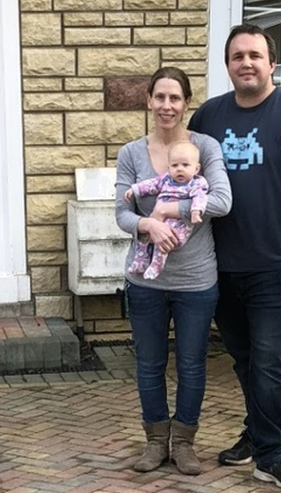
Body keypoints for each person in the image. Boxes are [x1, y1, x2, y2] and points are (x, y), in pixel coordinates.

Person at [189, 24, 281, 491]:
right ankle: (255, 435)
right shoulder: (208, 116)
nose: (246, 63)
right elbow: (185, 177)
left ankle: (272, 454)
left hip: (276, 264)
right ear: (227, 66)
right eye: (237, 56)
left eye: (255, 55)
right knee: (244, 357)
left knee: (268, 359)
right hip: (219, 265)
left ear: (272, 63)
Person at [114, 66, 232, 476]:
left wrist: (171, 209)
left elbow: (222, 201)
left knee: (191, 363)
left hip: (196, 280)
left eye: (175, 98)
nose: (167, 106)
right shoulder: (131, 153)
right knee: (149, 363)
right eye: (160, 97)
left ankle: (183, 444)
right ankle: (154, 442)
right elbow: (122, 214)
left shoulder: (205, 147)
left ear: (186, 103)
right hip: (145, 280)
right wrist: (149, 224)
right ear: (149, 101)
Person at [124, 141, 209, 279]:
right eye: (175, 165)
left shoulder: (197, 183)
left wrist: (195, 211)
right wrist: (135, 189)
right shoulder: (166, 179)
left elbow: (200, 197)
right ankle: (141, 261)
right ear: (168, 167)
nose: (179, 169)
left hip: (178, 224)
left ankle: (157, 264)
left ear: (196, 168)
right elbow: (152, 184)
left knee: (161, 238)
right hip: (157, 220)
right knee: (143, 234)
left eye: (185, 165)